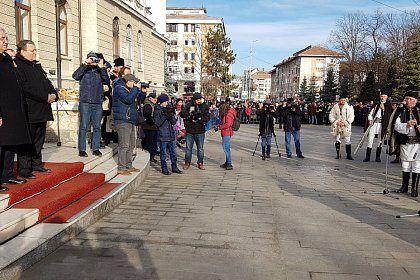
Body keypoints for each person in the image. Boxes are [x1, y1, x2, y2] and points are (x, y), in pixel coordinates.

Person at [14, 40, 57, 178]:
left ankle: (36, 163)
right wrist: (45, 97)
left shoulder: (36, 65)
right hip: (30, 109)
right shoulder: (18, 65)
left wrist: (53, 94)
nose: (35, 53)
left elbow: (46, 81)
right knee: (28, 140)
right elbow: (26, 88)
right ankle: (25, 168)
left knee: (39, 138)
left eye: (35, 50)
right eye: (32, 51)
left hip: (42, 109)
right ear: (23, 51)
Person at [0, 27, 31, 190]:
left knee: (10, 144)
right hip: (2, 110)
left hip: (13, 110)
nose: (6, 41)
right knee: (1, 145)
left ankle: (7, 175)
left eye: (6, 38)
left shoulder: (6, 58)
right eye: (2, 39)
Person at [73, 52, 110, 157]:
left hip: (97, 102)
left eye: (95, 59)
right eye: (91, 59)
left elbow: (106, 81)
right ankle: (82, 149)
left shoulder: (100, 71)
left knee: (97, 126)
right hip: (85, 102)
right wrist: (85, 64)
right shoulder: (84, 70)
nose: (93, 61)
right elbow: (75, 76)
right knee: (83, 126)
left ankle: (96, 148)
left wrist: (102, 68)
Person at [390, 86, 420, 197]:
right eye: (406, 98)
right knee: (406, 164)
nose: (407, 101)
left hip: (418, 143)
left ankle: (414, 188)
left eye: (410, 99)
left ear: (416, 100)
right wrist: (406, 125)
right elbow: (396, 125)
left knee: (417, 164)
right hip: (406, 141)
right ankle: (404, 186)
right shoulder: (401, 110)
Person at [112, 74, 141, 175]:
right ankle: (121, 167)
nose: (135, 84)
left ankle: (129, 165)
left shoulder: (128, 89)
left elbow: (137, 98)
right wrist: (135, 89)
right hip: (123, 120)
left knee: (131, 144)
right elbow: (128, 99)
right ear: (129, 81)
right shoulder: (119, 89)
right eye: (134, 82)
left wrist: (139, 90)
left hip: (130, 120)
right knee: (124, 145)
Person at [153, 94, 182, 175]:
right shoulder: (157, 110)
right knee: (163, 153)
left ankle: (174, 167)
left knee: (173, 152)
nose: (167, 103)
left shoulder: (168, 109)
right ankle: (164, 168)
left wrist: (170, 115)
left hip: (171, 134)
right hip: (162, 135)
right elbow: (157, 124)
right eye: (165, 101)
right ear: (161, 102)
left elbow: (173, 122)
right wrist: (164, 116)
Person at [180, 92, 210, 170]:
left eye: (200, 99)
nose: (199, 101)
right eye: (197, 99)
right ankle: (187, 163)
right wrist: (189, 115)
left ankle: (200, 162)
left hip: (200, 130)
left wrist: (200, 119)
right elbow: (182, 114)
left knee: (200, 148)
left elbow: (207, 117)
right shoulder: (189, 105)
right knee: (188, 148)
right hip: (190, 130)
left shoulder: (205, 106)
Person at [362, 90, 393, 162]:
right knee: (370, 140)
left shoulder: (388, 106)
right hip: (374, 123)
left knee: (380, 140)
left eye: (384, 96)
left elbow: (388, 116)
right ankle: (367, 156)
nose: (382, 98)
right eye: (381, 96)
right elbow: (370, 113)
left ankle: (377, 157)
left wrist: (383, 109)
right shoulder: (376, 104)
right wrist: (370, 119)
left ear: (387, 97)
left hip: (382, 125)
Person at [329, 95, 355, 160]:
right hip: (337, 126)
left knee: (347, 140)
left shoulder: (349, 107)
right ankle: (338, 154)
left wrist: (345, 123)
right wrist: (336, 122)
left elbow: (351, 117)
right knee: (337, 139)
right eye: (341, 100)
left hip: (346, 126)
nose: (343, 101)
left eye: (344, 100)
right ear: (339, 100)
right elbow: (331, 115)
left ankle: (348, 155)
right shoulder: (335, 107)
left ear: (345, 100)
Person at [218, 102, 236, 170]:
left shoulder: (228, 115)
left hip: (227, 133)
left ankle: (229, 163)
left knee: (226, 148)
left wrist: (220, 127)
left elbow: (228, 124)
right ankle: (227, 162)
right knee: (226, 148)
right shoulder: (228, 113)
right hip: (227, 132)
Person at [142, 91, 159, 163]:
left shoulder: (152, 105)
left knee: (152, 142)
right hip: (149, 127)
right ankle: (150, 156)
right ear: (150, 98)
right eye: (154, 98)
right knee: (150, 142)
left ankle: (151, 156)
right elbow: (147, 115)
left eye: (156, 98)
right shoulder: (148, 105)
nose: (155, 99)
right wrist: (152, 123)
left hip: (151, 127)